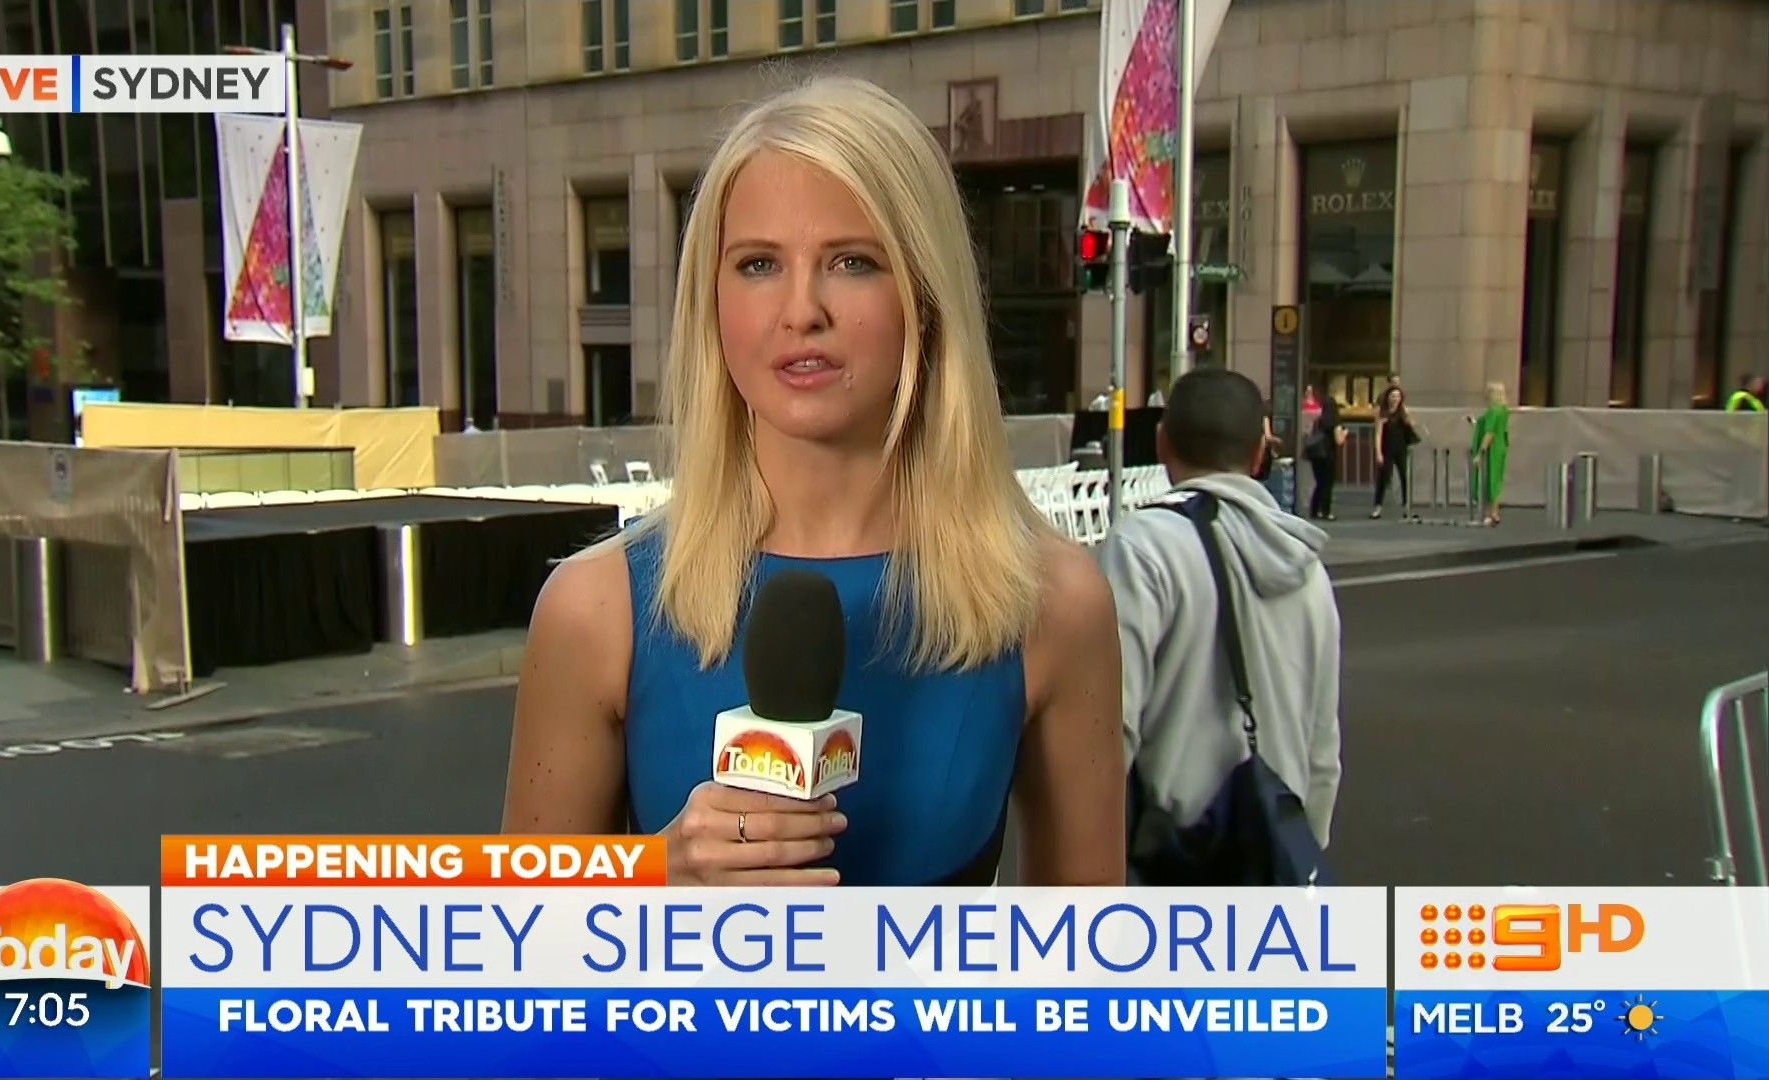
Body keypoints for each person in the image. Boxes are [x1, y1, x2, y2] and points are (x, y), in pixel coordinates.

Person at [500, 75, 1125, 889]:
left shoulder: (1056, 605)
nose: (802, 311)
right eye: (758, 264)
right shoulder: (594, 611)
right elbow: (519, 946)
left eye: (852, 262)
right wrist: (652, 879)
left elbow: (1087, 955)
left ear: (925, 296)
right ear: (711, 301)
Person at [1098, 368, 1343, 871]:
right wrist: (1301, 854)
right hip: (1274, 864)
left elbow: (1108, 727)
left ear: (1162, 444)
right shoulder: (1306, 566)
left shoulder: (1142, 546)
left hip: (1169, 862)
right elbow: (1322, 751)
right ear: (1258, 455)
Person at [1372, 385, 1421, 520]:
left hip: (1401, 447)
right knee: (1383, 478)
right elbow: (1378, 434)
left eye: (1398, 396)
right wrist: (1378, 452)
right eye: (1393, 396)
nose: (1395, 399)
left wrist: (1407, 415)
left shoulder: (1402, 411)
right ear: (1388, 397)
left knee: (1405, 476)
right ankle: (1377, 507)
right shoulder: (1382, 412)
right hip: (1387, 448)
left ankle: (1407, 507)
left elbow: (1412, 424)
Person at [1470, 381, 1510, 526]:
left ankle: (1491, 513)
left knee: (1490, 479)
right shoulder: (1503, 410)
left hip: (1492, 449)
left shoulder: (1494, 411)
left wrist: (1481, 452)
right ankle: (1494, 513)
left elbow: (1490, 433)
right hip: (1500, 447)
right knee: (1496, 479)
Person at [1302, 385, 1342, 520]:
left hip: (1316, 454)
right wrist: (1345, 433)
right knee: (1327, 483)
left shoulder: (1318, 420)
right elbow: (1339, 440)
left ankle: (1315, 510)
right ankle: (1326, 511)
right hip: (1328, 453)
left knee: (1319, 482)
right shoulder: (1335, 421)